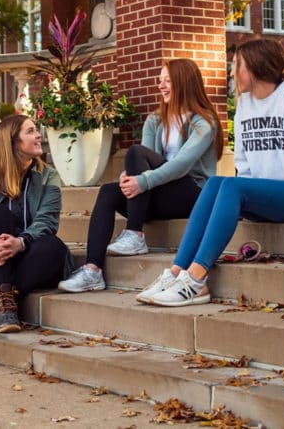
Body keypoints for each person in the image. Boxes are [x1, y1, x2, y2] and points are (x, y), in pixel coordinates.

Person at [140, 38, 284, 307]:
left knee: (231, 186)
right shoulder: (245, 103)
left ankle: (196, 279)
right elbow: (244, 162)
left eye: (237, 65)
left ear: (256, 68)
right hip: (266, 195)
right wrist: (243, 200)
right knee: (216, 183)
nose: (231, 72)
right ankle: (177, 272)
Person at [58, 59, 223, 293]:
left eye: (168, 80)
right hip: (162, 192)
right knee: (108, 191)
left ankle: (135, 233)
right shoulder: (155, 120)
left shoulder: (203, 122)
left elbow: (182, 164)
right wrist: (130, 177)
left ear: (184, 82)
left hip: (193, 193)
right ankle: (93, 270)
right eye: (159, 81)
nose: (161, 86)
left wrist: (142, 180)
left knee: (135, 154)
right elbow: (143, 161)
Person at [0, 114, 73, 333]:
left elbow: (47, 222)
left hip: (30, 257)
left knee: (54, 246)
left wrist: (20, 242)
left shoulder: (48, 176)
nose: (39, 135)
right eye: (30, 131)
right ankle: (4, 302)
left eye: (36, 130)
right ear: (12, 141)